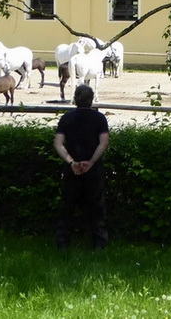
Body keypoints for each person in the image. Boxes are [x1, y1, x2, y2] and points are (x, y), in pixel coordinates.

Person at [54, 84, 110, 249]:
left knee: (67, 206)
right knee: (96, 206)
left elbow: (58, 143)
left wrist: (71, 162)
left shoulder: (66, 118)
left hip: (72, 169)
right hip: (93, 168)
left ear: (75, 99)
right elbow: (104, 143)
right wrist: (91, 162)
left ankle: (63, 243)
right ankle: (99, 243)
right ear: (91, 100)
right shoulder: (99, 119)